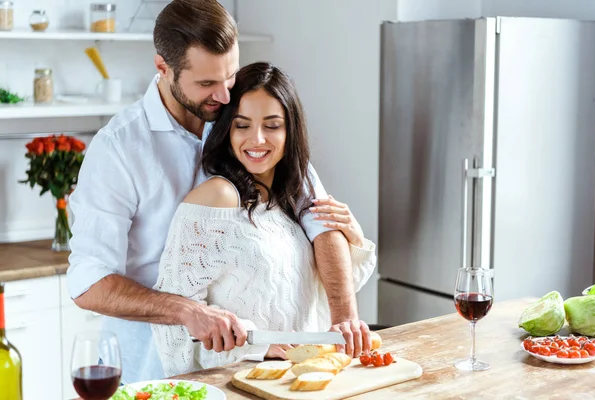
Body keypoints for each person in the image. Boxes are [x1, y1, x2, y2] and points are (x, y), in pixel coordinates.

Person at [66, 0, 370, 384]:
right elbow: (87, 282)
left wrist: (344, 316)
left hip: (259, 362)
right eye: (207, 84)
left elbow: (318, 217)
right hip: (156, 365)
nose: (224, 95)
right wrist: (185, 310)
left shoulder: (241, 115)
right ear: (163, 68)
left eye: (229, 77)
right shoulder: (119, 148)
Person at [150, 62, 377, 376]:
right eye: (242, 125)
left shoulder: (290, 198)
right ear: (227, 129)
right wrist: (256, 348)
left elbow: (313, 294)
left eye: (272, 125)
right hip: (245, 385)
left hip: (304, 381)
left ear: (290, 130)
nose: (256, 139)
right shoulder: (217, 198)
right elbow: (174, 322)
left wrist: (354, 237)